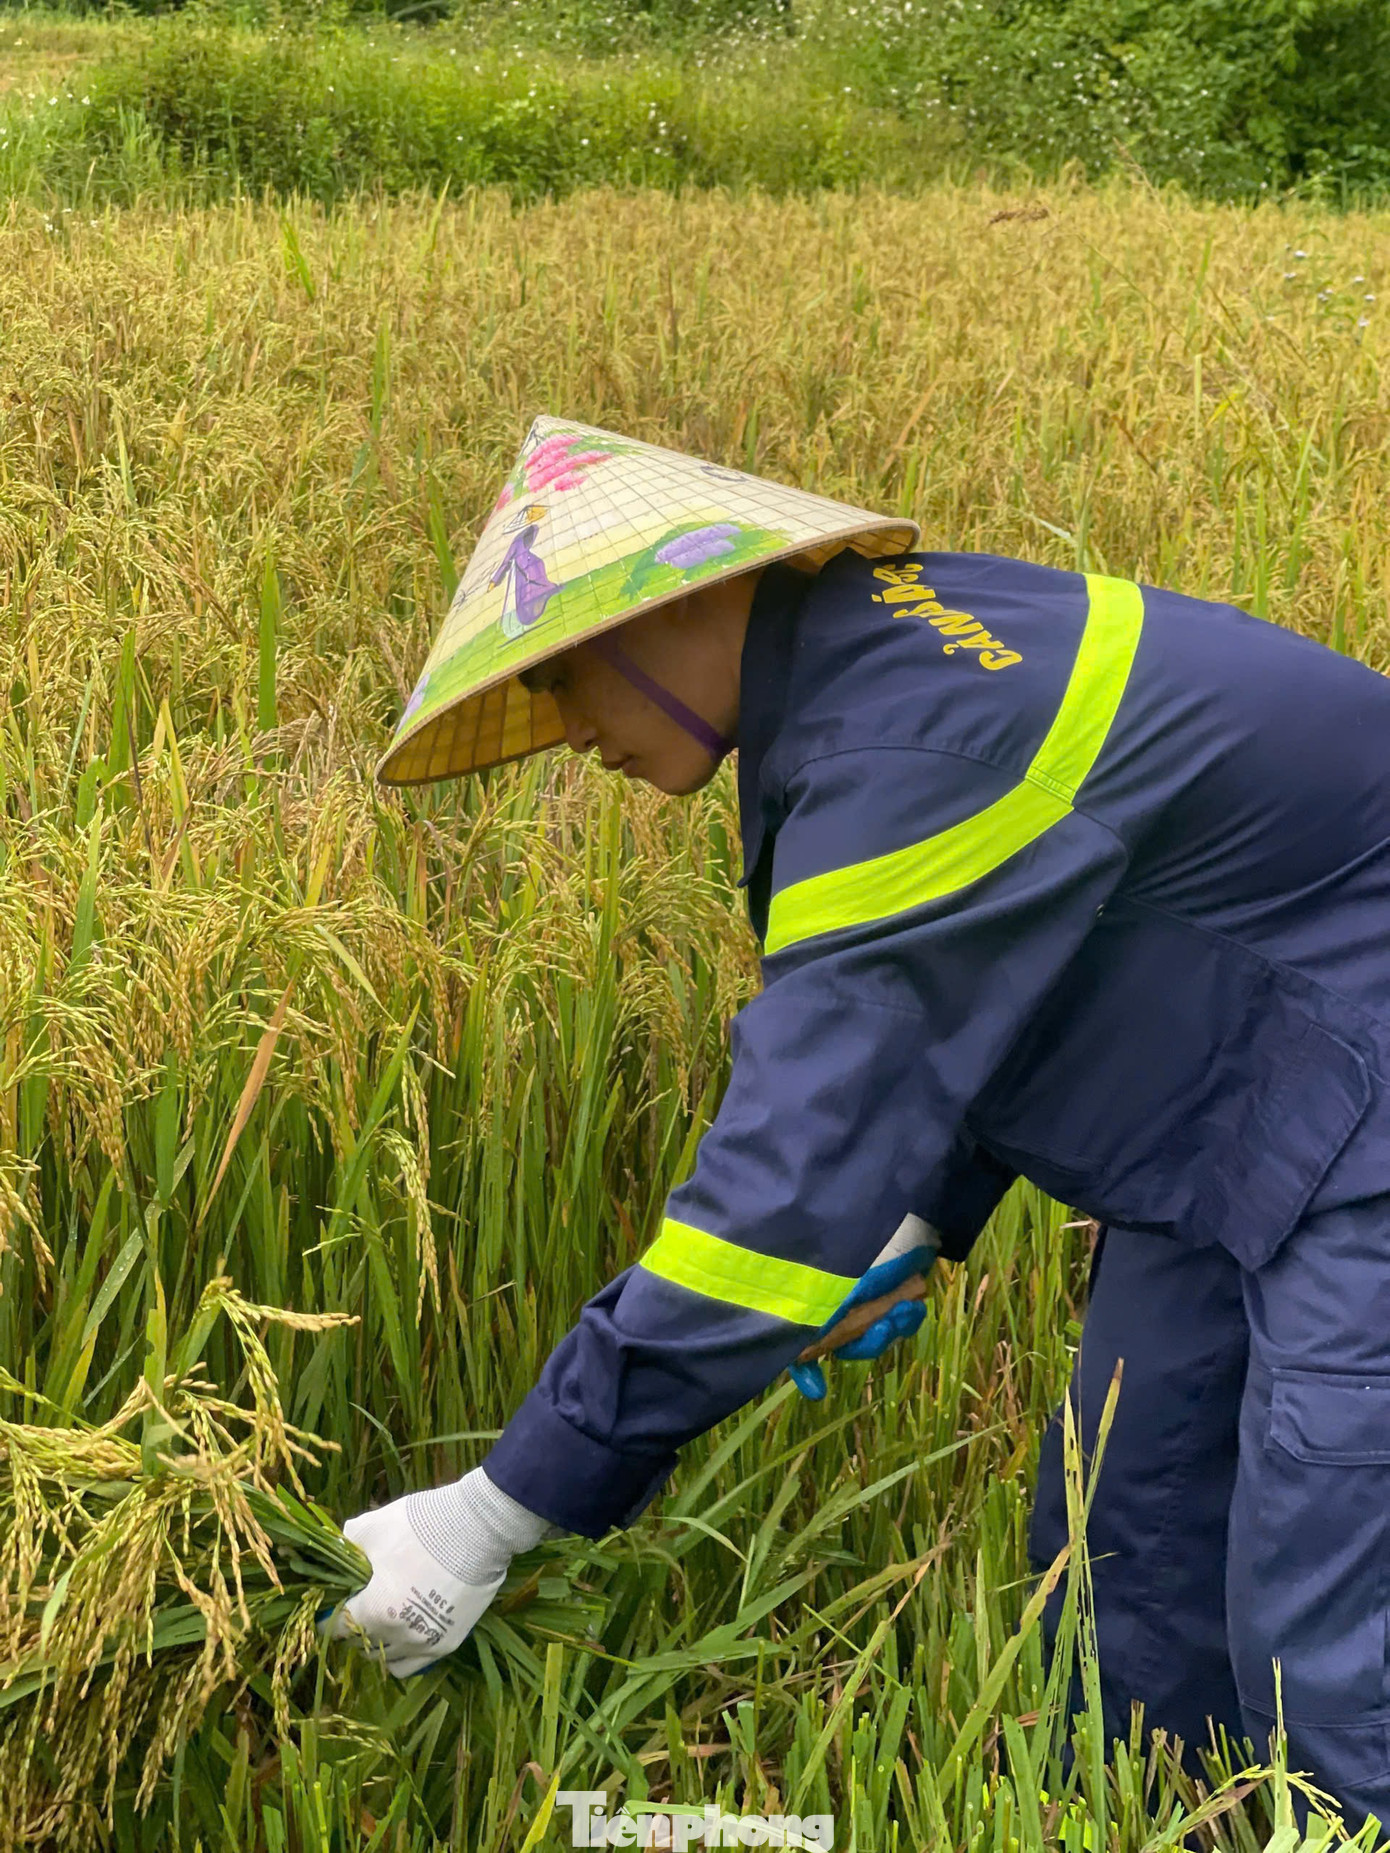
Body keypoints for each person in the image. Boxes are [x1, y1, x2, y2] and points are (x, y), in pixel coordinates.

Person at [328, 416, 1390, 1830]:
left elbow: (772, 1197)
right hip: (1265, 1078)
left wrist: (494, 1511)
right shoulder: (891, 658)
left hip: (1354, 1100)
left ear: (692, 600)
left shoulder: (905, 743)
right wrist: (920, 1216)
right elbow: (1042, 969)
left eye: (567, 671)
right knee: (1123, 1536)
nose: (571, 730)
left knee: (1323, 1617)